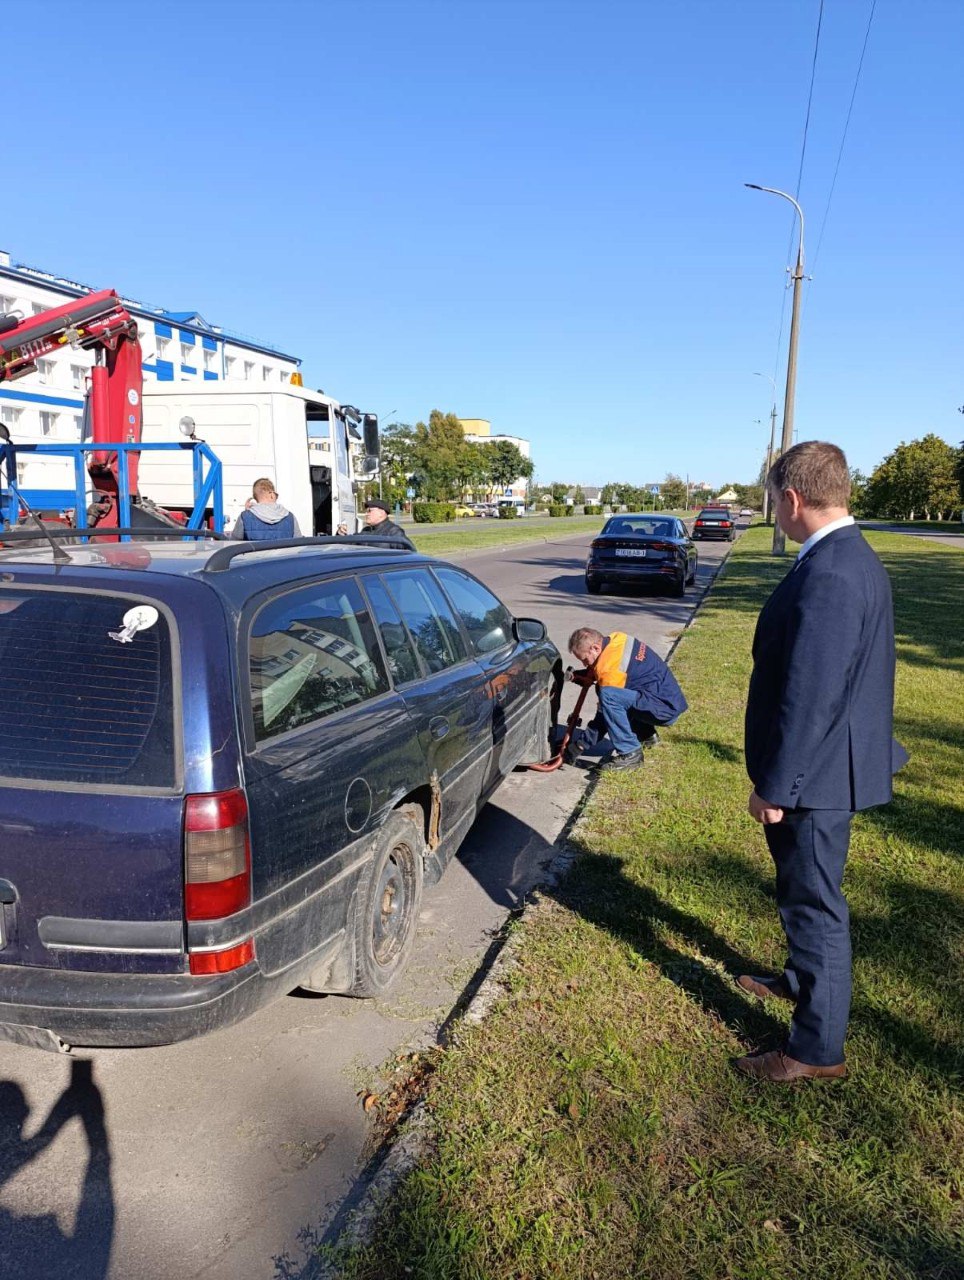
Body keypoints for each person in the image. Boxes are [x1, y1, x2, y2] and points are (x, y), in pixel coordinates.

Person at [737, 440, 908, 1083]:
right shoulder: (844, 557)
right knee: (803, 892)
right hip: (826, 766)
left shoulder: (833, 571)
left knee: (815, 904)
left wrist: (776, 784)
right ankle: (803, 981)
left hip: (815, 776)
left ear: (792, 498)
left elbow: (813, 694)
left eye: (774, 501)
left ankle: (814, 1050)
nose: (776, 513)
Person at [566, 627, 688, 770]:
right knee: (626, 692)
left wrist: (580, 745)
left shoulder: (609, 670)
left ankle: (630, 754)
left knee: (609, 696)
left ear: (595, 648)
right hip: (668, 698)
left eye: (585, 659)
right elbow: (625, 671)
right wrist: (585, 674)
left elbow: (604, 718)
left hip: (663, 710)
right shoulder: (618, 638)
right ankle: (647, 735)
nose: (585, 664)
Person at [231, 478, 301, 541]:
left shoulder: (244, 517)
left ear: (255, 497)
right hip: (284, 555)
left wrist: (247, 514)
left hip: (255, 555)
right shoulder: (290, 517)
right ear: (272, 494)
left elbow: (234, 544)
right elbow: (298, 544)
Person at [337, 498, 414, 547]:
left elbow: (409, 554)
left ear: (381, 513)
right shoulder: (365, 531)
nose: (366, 514)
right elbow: (349, 543)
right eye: (366, 511)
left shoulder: (394, 532)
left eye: (370, 511)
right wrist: (340, 534)